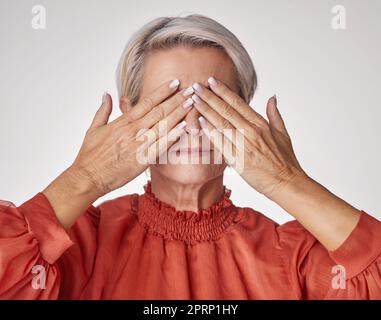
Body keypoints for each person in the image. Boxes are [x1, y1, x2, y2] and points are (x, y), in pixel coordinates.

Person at [1, 14, 380, 299]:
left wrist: (287, 181)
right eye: (169, 101)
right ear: (129, 115)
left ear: (245, 115)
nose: (193, 122)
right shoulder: (79, 244)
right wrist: (86, 177)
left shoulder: (292, 256)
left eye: (212, 101)